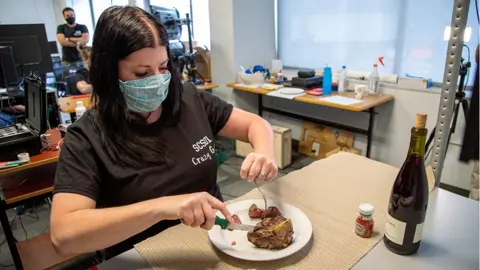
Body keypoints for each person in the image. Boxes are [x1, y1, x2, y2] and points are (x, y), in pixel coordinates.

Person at [50, 6, 277, 259]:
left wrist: (264, 153)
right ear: (109, 73)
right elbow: (63, 236)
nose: (157, 80)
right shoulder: (86, 137)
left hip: (216, 241)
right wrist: (162, 208)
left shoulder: (189, 100)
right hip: (145, 256)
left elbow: (255, 125)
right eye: (142, 73)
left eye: (163, 66)